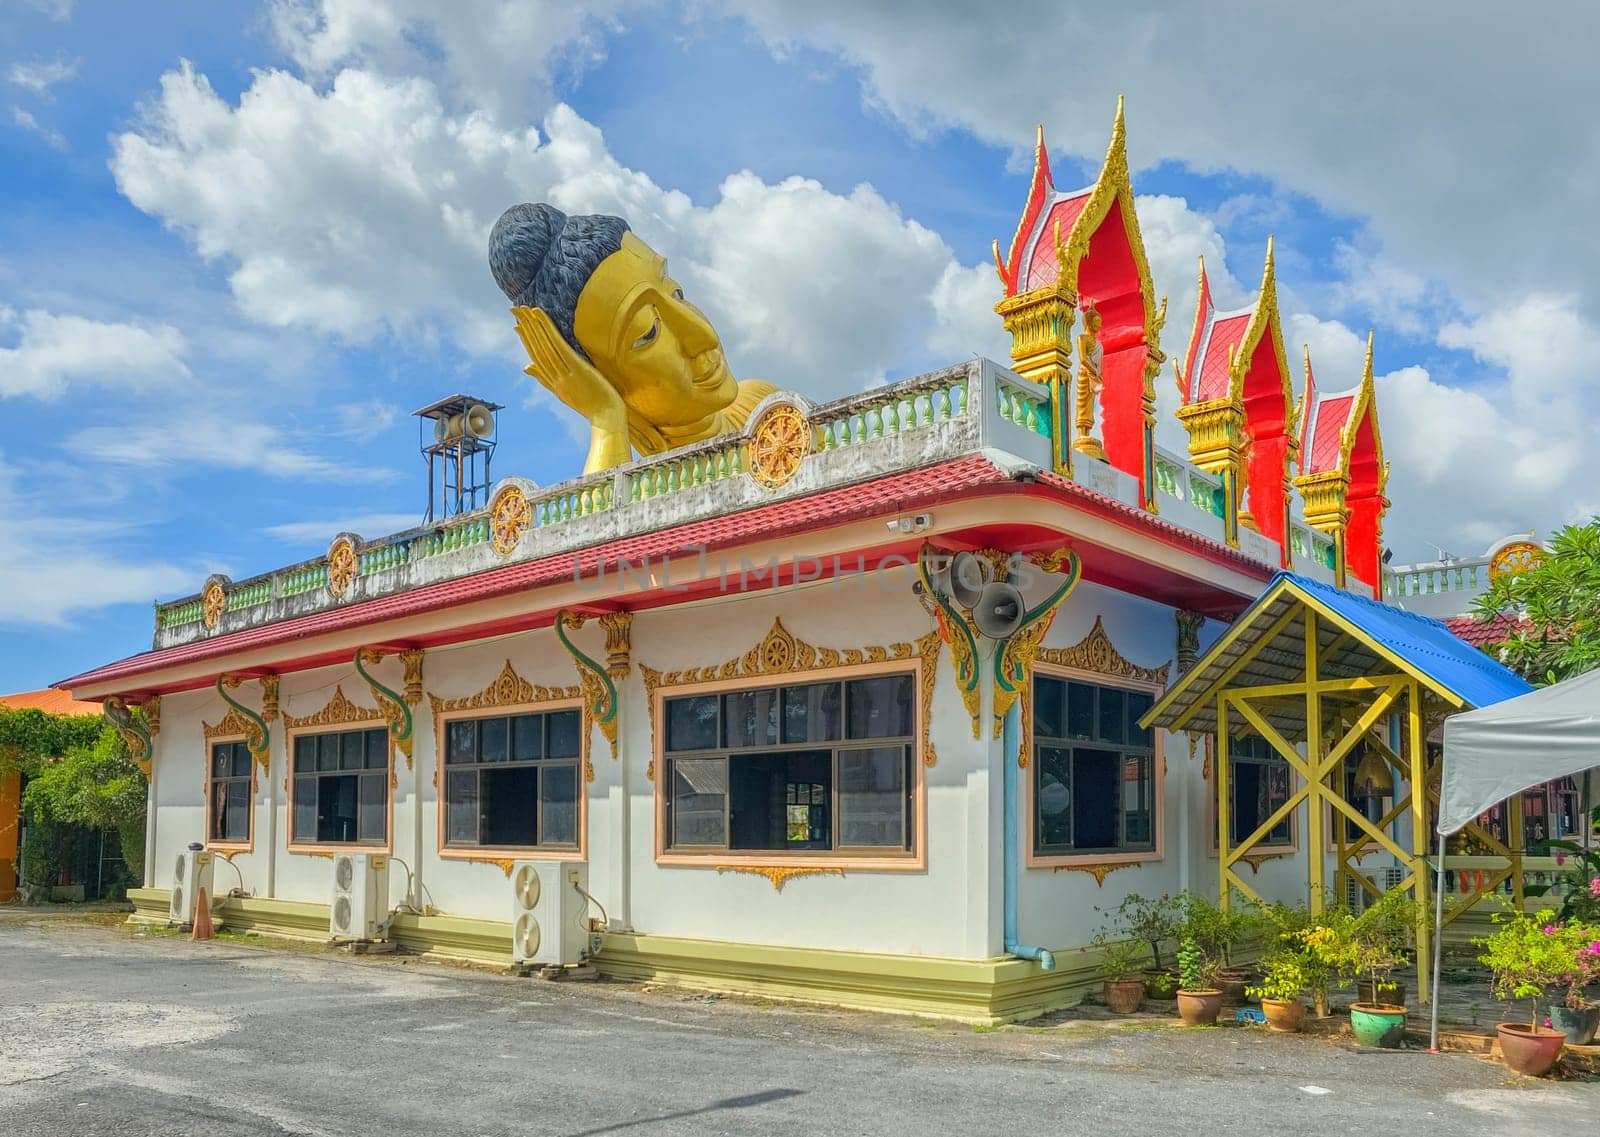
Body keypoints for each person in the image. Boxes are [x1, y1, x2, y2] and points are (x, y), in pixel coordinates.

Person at [489, 203, 774, 473]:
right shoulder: (656, 492)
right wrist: (605, 418)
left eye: (676, 293)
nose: (705, 337)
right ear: (589, 376)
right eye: (648, 331)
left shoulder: (764, 403)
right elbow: (600, 526)